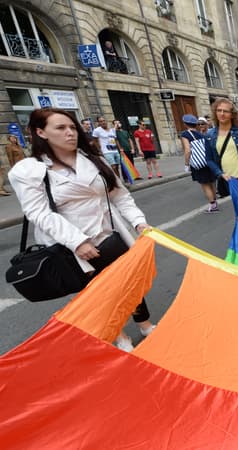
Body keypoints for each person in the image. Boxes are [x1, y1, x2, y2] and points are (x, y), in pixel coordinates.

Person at [8, 108, 155, 352]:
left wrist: (139, 222)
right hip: (70, 246)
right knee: (98, 294)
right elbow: (39, 213)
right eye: (61, 128)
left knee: (128, 283)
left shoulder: (94, 160)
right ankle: (120, 337)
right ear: (40, 132)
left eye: (72, 127)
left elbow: (120, 196)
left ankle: (145, 324)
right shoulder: (28, 170)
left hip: (110, 235)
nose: (70, 133)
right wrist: (77, 241)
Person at [180, 114, 218, 213]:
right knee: (211, 182)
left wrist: (186, 164)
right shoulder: (200, 134)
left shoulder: (185, 134)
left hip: (198, 164)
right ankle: (215, 202)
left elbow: (188, 150)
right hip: (207, 161)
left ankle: (213, 205)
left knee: (205, 185)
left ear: (185, 124)